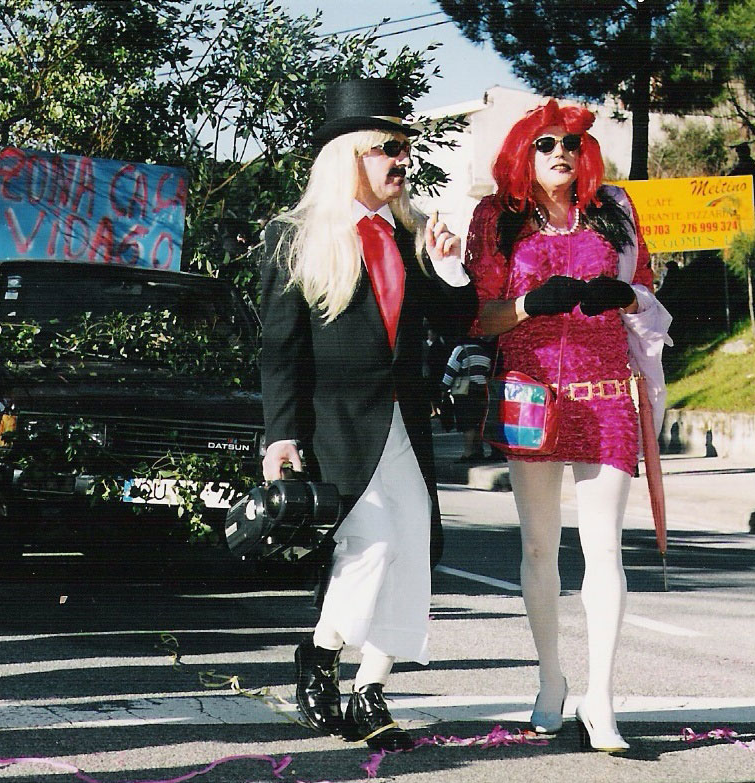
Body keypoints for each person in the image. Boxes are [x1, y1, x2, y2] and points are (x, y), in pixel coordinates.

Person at [259, 77, 478, 751]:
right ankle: (320, 657)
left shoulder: (409, 234)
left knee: (414, 547)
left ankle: (370, 691)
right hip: (335, 424)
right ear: (348, 156)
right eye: (388, 148)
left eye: (405, 148)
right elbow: (280, 348)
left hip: (404, 423)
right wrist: (281, 436)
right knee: (372, 545)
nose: (402, 160)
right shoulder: (294, 237)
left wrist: (450, 269)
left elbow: (458, 321)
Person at [464, 98, 671, 753]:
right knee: (537, 547)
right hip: (528, 394)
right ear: (522, 154)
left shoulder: (615, 212)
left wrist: (625, 295)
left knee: (604, 549)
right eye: (546, 143)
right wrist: (531, 303)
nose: (561, 152)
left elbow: (645, 292)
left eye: (572, 143)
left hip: (606, 392)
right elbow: (480, 316)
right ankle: (551, 679)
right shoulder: (496, 218)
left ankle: (600, 699)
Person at [440, 337, 493, 463]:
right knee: (478, 423)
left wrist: (443, 388)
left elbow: (450, 370)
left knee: (467, 424)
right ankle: (478, 451)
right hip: (482, 391)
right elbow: (487, 371)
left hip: (465, 392)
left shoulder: (460, 350)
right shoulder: (483, 351)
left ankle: (468, 453)